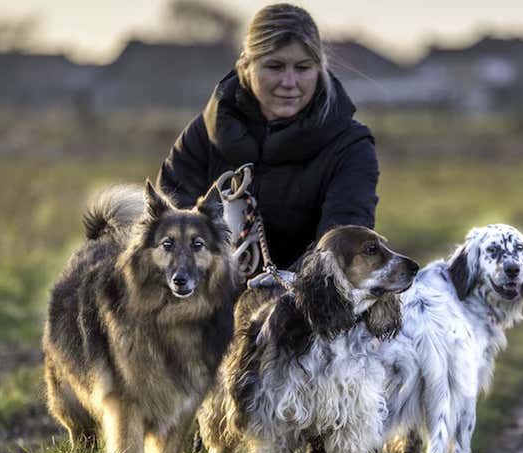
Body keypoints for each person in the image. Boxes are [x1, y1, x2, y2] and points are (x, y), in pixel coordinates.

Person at [157, 3, 378, 272]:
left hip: (303, 302)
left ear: (320, 69)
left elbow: (341, 247)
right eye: (274, 66)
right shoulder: (203, 134)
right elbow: (168, 229)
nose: (289, 81)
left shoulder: (351, 147)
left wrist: (275, 293)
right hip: (207, 296)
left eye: (303, 68)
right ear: (246, 65)